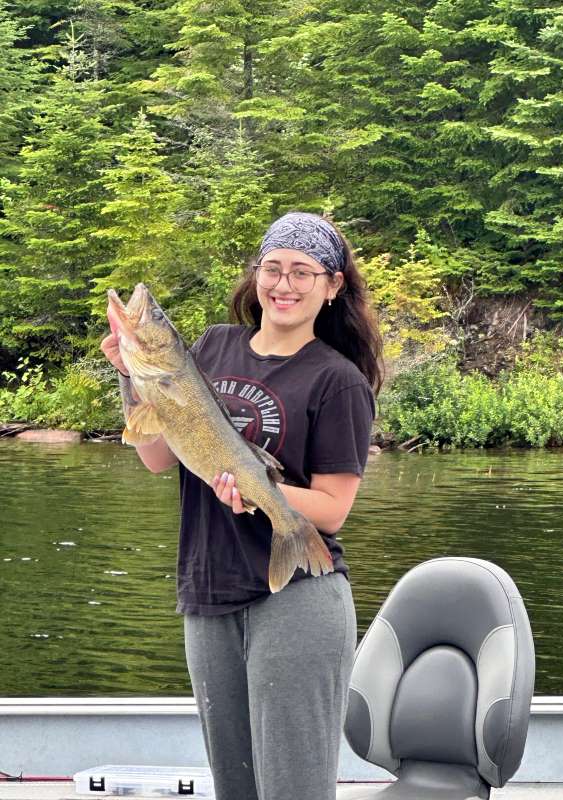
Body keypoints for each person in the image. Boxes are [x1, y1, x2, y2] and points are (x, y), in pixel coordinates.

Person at [100, 211, 383, 800]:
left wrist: (257, 492)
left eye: (303, 272)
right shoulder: (213, 344)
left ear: (332, 286)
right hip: (207, 591)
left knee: (293, 789)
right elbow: (158, 458)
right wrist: (131, 375)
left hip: (298, 599)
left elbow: (331, 509)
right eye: (272, 268)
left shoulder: (338, 381)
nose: (283, 284)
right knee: (235, 788)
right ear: (256, 275)